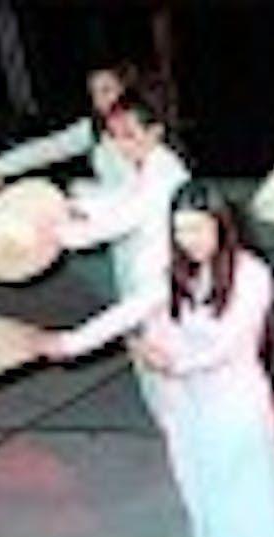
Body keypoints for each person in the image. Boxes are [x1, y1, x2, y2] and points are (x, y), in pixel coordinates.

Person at [34, 181, 274, 537]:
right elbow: (130, 310)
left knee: (247, 509)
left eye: (197, 229)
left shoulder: (251, 276)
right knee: (207, 510)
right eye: (180, 231)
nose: (189, 241)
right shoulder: (179, 273)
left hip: (235, 410)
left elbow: (230, 344)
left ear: (222, 226)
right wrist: (69, 342)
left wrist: (174, 363)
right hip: (189, 410)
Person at [54, 90, 190, 425]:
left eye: (128, 135)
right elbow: (120, 200)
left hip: (166, 284)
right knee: (161, 374)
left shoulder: (165, 175)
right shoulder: (150, 165)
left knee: (174, 381)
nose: (120, 146)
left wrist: (59, 233)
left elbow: (122, 218)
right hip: (155, 280)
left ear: (155, 132)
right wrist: (75, 204)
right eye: (115, 136)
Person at [0, 59, 141, 190]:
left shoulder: (143, 124)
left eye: (106, 90)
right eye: (94, 93)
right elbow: (49, 148)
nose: (99, 100)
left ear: (123, 89)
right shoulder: (93, 128)